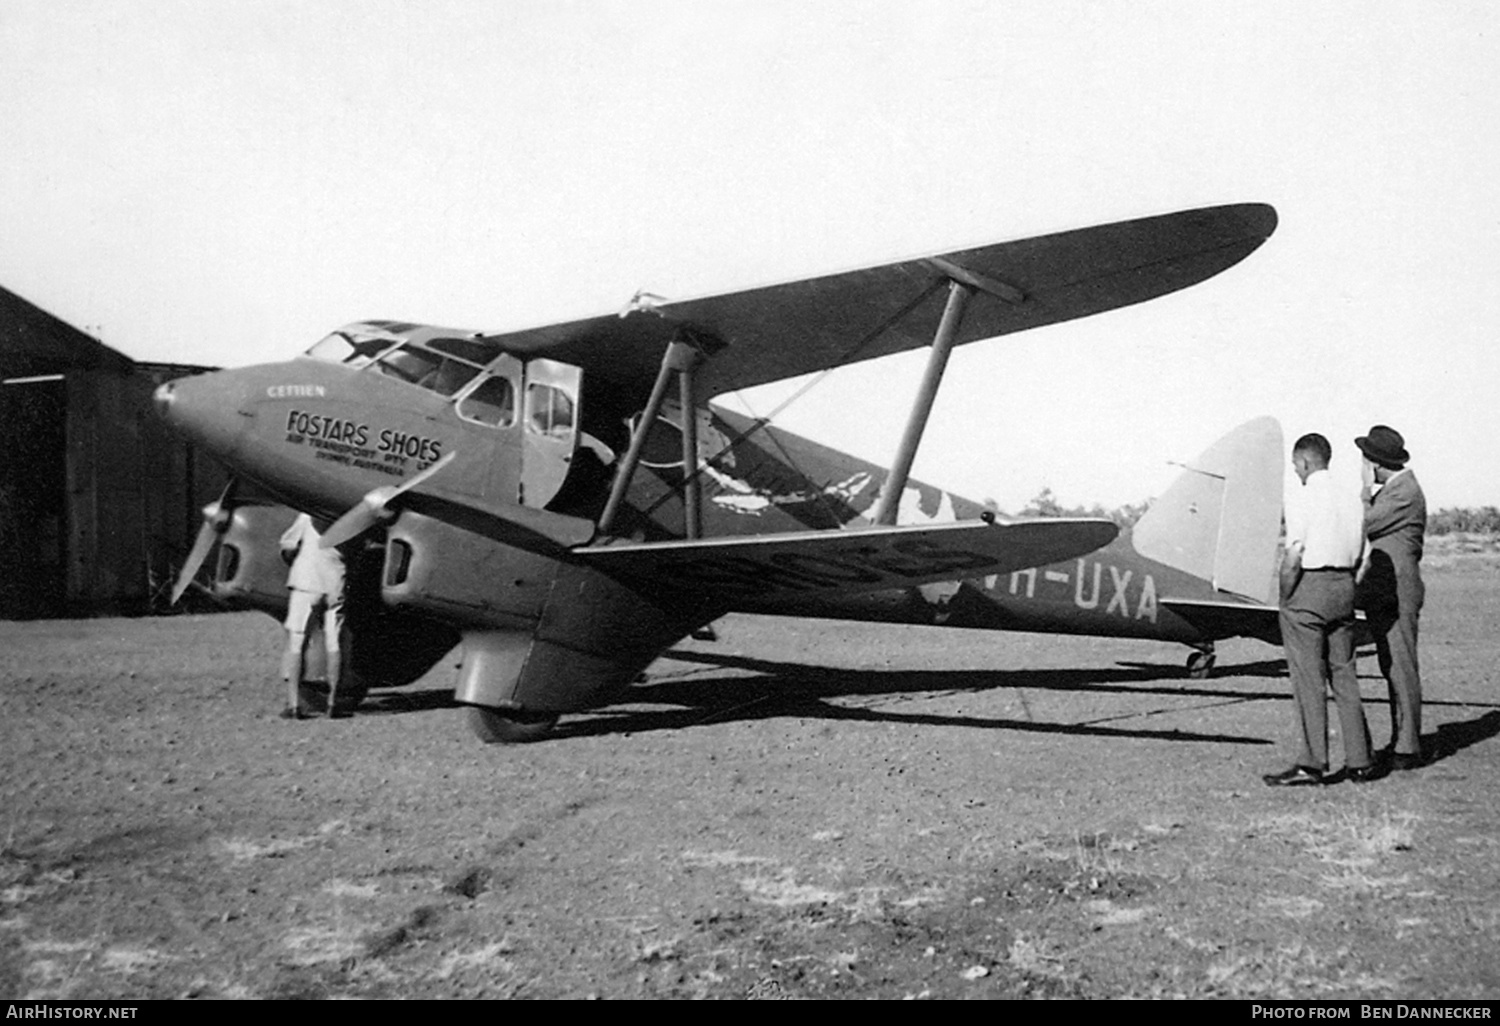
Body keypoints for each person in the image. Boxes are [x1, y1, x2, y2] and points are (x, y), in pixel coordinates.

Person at [1264, 433, 1374, 786]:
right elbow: (1365, 556)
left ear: (1306, 462)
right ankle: (1360, 760)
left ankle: (1311, 763)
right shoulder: (1352, 498)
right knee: (1344, 674)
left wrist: (1286, 597)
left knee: (1308, 678)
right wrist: (1347, 586)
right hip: (1344, 585)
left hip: (1309, 588)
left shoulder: (1303, 495)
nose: (1295, 470)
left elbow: (1294, 554)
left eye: (1296, 463)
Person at [1355, 424, 1427, 770]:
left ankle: (1409, 747)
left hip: (1397, 589)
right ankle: (1402, 741)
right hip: (1388, 589)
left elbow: (1363, 523)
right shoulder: (1400, 489)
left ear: (1376, 461)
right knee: (1393, 666)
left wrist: (1365, 490)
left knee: (1400, 666)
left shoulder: (1402, 492)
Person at [278, 512, 347, 720]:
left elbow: (287, 545)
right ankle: (333, 703)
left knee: (297, 644)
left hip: (306, 584)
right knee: (335, 645)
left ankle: (295, 705)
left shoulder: (307, 516)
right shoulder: (351, 515)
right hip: (336, 583)